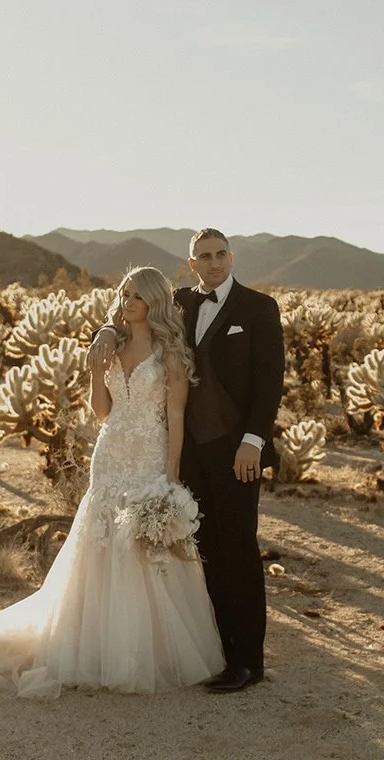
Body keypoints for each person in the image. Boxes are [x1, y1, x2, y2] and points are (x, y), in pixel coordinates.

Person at [0, 266, 224, 697]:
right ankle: (95, 645)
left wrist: (172, 476)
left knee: (145, 544)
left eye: (138, 296)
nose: (128, 303)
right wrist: (96, 369)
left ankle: (148, 650)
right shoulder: (113, 345)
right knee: (102, 540)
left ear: (155, 301)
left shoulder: (171, 354)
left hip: (149, 455)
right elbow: (101, 411)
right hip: (110, 454)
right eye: (125, 294)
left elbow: (176, 416)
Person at [91, 228, 285, 693]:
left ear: (231, 258)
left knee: (238, 548)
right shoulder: (178, 302)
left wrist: (253, 441)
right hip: (186, 449)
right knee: (204, 550)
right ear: (192, 263)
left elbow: (269, 381)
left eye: (221, 254)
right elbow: (131, 316)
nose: (214, 263)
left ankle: (248, 662)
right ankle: (220, 650)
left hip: (236, 450)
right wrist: (105, 330)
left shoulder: (258, 308)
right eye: (204, 256)